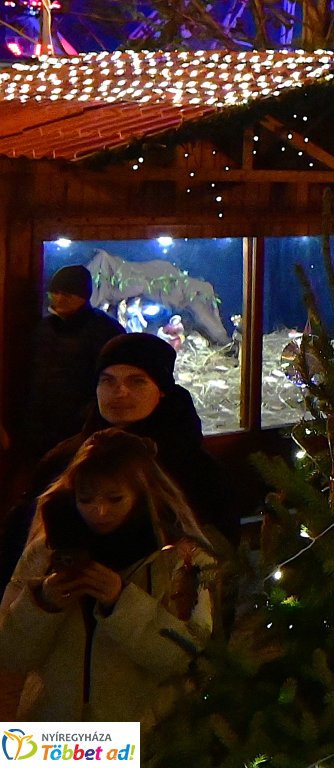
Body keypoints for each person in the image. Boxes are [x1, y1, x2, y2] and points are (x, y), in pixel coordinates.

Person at [0, 428, 216, 721]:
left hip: (143, 733)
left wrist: (121, 602)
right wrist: (43, 604)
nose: (100, 511)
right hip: (54, 732)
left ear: (141, 495)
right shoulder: (46, 553)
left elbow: (188, 658)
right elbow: (10, 655)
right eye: (86, 500)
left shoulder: (183, 561)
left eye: (115, 499)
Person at [5, 332, 237, 581]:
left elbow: (216, 559)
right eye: (108, 381)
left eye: (137, 381)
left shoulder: (194, 468)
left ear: (161, 390)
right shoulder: (66, 459)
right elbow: (19, 542)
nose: (120, 392)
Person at [21, 266, 122, 465]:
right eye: (55, 293)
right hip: (39, 426)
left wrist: (89, 418)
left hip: (81, 428)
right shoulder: (44, 328)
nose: (59, 299)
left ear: (83, 296)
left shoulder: (104, 330)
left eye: (67, 294)